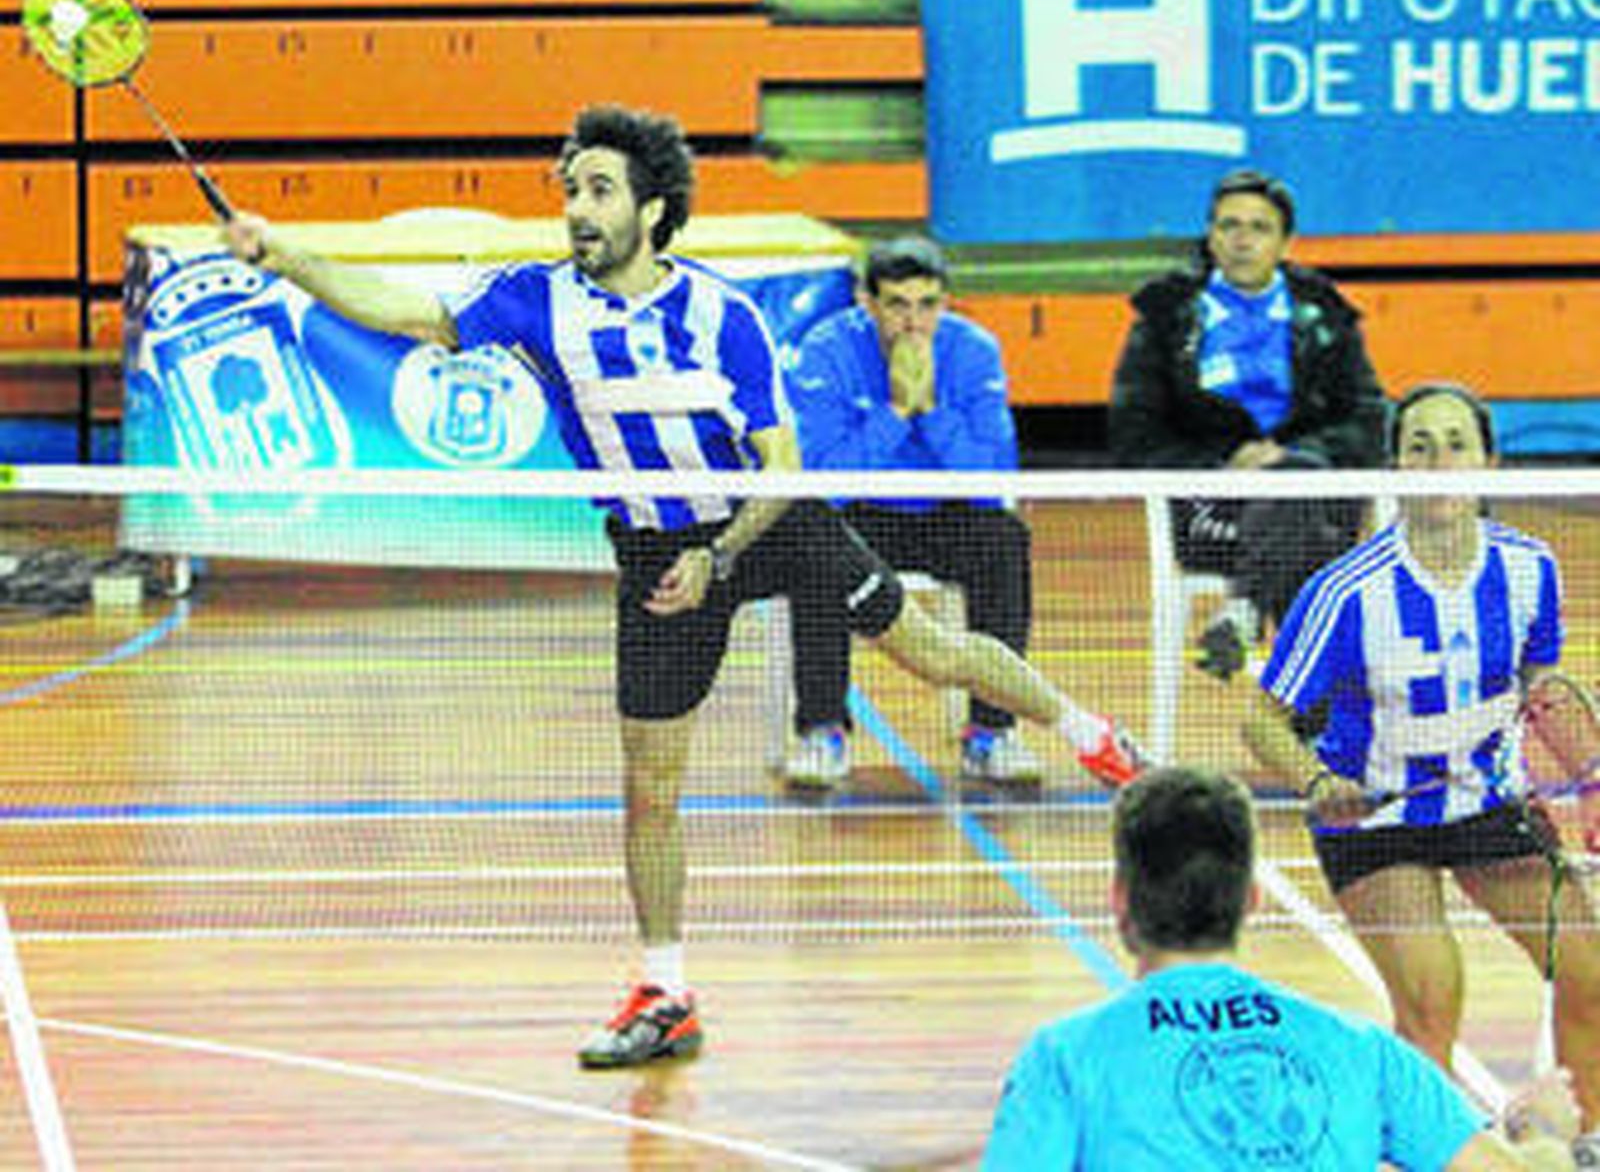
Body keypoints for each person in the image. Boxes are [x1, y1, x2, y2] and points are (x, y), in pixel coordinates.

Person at [219, 104, 1145, 1069]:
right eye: (570, 189)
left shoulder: (721, 314)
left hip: (767, 521)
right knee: (649, 788)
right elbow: (398, 307)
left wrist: (724, 555)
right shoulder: (534, 300)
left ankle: (1098, 740)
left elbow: (781, 464)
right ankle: (666, 992)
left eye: (599, 190)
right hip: (657, 554)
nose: (577, 207)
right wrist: (281, 254)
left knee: (931, 652)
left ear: (652, 210)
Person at [1243, 381, 1600, 1163]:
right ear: (1395, 463)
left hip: (1488, 806)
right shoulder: (1346, 591)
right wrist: (1314, 781)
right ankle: (1429, 1156)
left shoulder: (1530, 569)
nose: (1439, 462)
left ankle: (1584, 1146)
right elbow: (1259, 717)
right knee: (1433, 994)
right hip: (1375, 822)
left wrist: (1593, 778)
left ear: (1490, 460)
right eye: (1419, 446)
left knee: (1590, 968)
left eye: (1456, 444)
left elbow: (1542, 687)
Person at [985, 765, 1581, 1170]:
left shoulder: (1062, 1058)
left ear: (1119, 896)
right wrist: (1542, 1133)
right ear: (1252, 899)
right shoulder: (1363, 1051)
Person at [1108, 168, 1388, 680]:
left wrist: (1287, 462)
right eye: (1228, 226)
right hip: (1210, 509)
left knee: (1301, 499)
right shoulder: (1167, 317)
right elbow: (1134, 432)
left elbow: (1369, 421)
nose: (1241, 240)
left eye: (1259, 228)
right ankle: (1312, 731)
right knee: (1315, 555)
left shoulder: (1325, 314)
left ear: (1286, 242)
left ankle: (1244, 611)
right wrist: (1222, 462)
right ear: (1210, 236)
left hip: (1315, 493)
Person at [782, 235, 1038, 789]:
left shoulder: (974, 352)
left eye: (928, 305)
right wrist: (896, 412)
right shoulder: (826, 351)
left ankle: (991, 734)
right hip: (862, 517)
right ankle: (822, 730)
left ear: (946, 302)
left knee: (1005, 540)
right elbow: (823, 481)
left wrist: (934, 413)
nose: (914, 323)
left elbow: (992, 482)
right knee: (812, 542)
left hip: (948, 514)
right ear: (866, 302)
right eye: (897, 305)